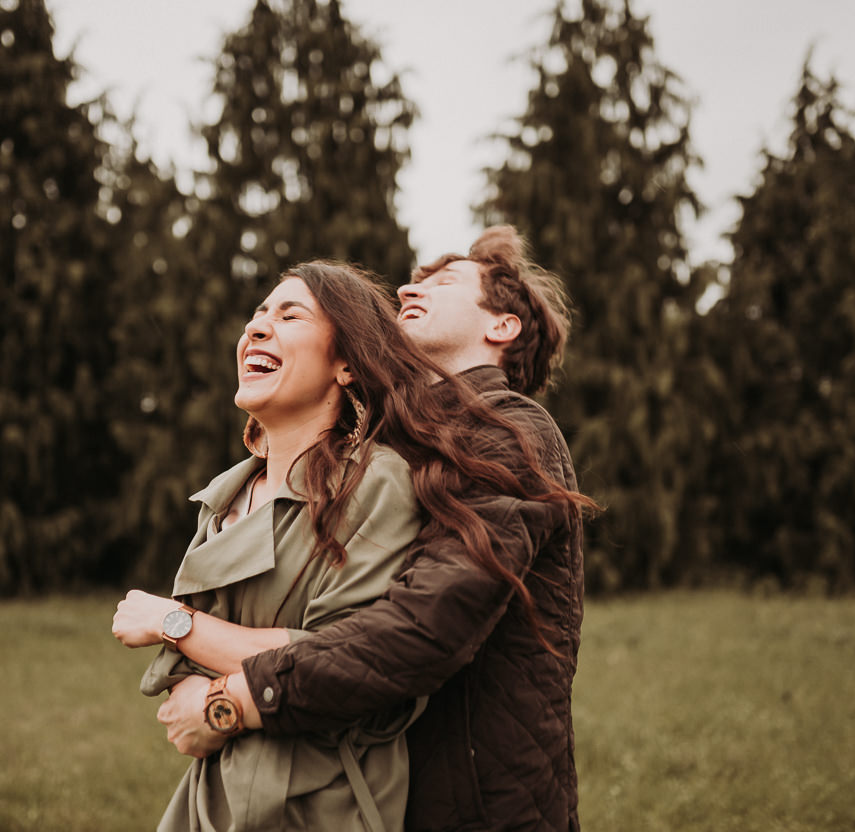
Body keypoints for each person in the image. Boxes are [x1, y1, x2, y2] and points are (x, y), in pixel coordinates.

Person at [113, 257, 587, 832]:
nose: (410, 287)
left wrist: (229, 698)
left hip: (482, 807)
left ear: (502, 327)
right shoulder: (396, 445)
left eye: (443, 282)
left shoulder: (509, 432)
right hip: (364, 790)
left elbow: (415, 633)